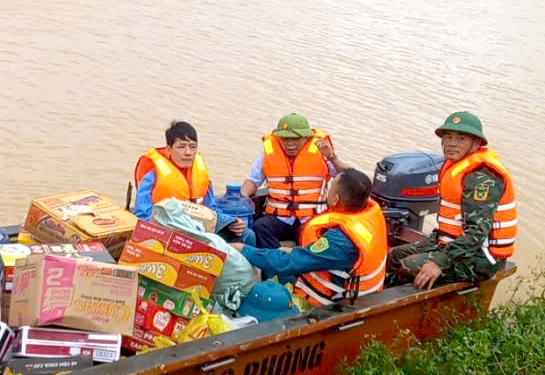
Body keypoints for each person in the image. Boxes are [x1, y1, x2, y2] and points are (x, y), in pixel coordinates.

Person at [388, 112, 516, 289]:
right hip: (454, 245)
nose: (452, 143)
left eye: (461, 138)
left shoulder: (482, 177)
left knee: (410, 265)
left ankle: (398, 306)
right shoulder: (455, 166)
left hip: (481, 258)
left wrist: (439, 262)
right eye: (448, 137)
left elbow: (477, 232)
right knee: (395, 254)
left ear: (476, 143)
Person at [231, 169, 387, 307]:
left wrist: (244, 250)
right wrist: (294, 252)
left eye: (330, 189)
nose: (327, 192)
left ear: (335, 200)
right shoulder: (367, 218)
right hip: (362, 288)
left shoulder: (339, 241)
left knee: (271, 287)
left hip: (335, 304)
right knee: (280, 248)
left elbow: (287, 263)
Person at [133, 121, 253, 243]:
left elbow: (212, 209)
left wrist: (231, 221)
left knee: (247, 234)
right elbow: (142, 215)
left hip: (201, 229)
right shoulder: (153, 176)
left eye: (192, 146)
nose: (188, 152)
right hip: (170, 232)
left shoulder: (200, 172)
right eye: (181, 147)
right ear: (169, 149)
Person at [240, 113, 348, 249]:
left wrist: (333, 157)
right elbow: (253, 181)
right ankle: (275, 264)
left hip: (310, 218)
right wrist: (243, 196)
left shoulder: (322, 152)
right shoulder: (268, 153)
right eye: (284, 139)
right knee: (260, 226)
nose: (289, 144)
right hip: (279, 218)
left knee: (316, 235)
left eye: (295, 139)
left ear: (306, 137)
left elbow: (349, 178)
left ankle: (298, 265)